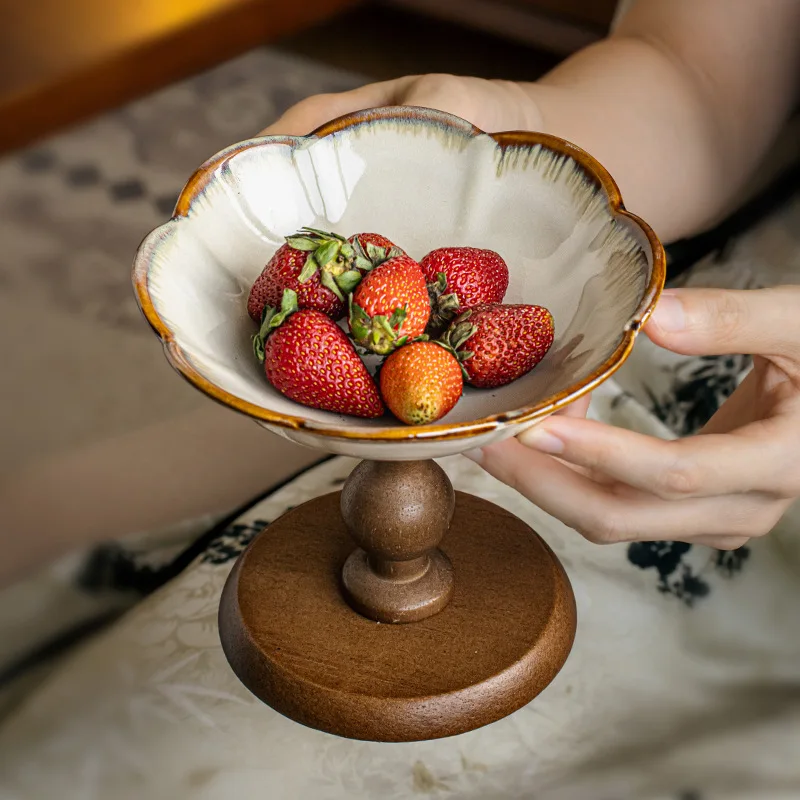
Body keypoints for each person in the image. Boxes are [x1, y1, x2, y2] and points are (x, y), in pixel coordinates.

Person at [1, 1, 799, 797]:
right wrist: (498, 124)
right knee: (103, 720)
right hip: (723, 352)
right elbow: (694, 77)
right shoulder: (391, 329)